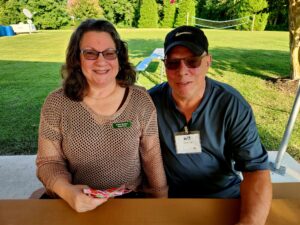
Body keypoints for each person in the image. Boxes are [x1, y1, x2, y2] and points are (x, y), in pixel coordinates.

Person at [36, 19, 168, 213]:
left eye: (109, 53)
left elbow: (151, 156)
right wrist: (67, 191)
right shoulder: (57, 103)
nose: (101, 61)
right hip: (73, 200)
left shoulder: (140, 100)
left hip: (128, 199)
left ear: (119, 57)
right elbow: (48, 162)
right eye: (90, 53)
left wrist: (161, 202)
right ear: (76, 58)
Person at [149, 26, 272, 225]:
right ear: (165, 66)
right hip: (169, 198)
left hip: (222, 197)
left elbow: (255, 169)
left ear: (208, 62)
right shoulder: (150, 102)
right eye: (173, 63)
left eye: (192, 61)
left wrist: (250, 222)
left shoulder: (231, 104)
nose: (182, 71)